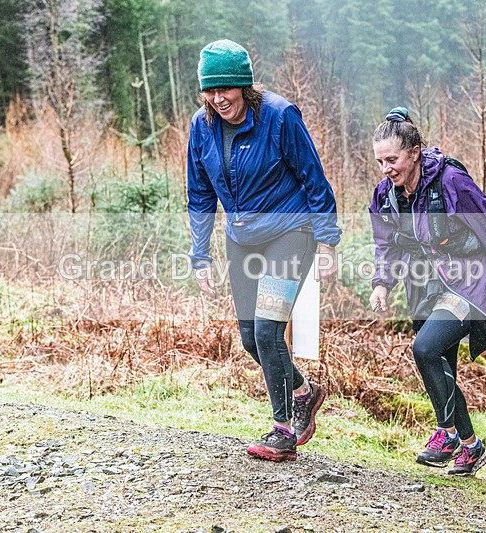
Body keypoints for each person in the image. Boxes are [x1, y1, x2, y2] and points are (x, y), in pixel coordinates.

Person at [186, 39, 341, 462]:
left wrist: (327, 241)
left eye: (228, 90)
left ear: (245, 87)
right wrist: (201, 255)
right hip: (241, 238)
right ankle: (304, 392)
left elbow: (314, 179)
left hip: (290, 232)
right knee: (251, 339)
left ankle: (283, 429)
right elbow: (199, 197)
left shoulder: (279, 116)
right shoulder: (201, 128)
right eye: (211, 91)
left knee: (270, 331)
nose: (220, 99)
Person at [368, 107, 486, 476]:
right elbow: (386, 243)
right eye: (380, 161)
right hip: (425, 285)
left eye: (393, 159)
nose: (387, 168)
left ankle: (447, 433)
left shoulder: (450, 182)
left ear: (414, 152)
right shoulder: (386, 195)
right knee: (440, 363)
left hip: (473, 280)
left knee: (425, 348)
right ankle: (469, 445)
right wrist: (382, 284)